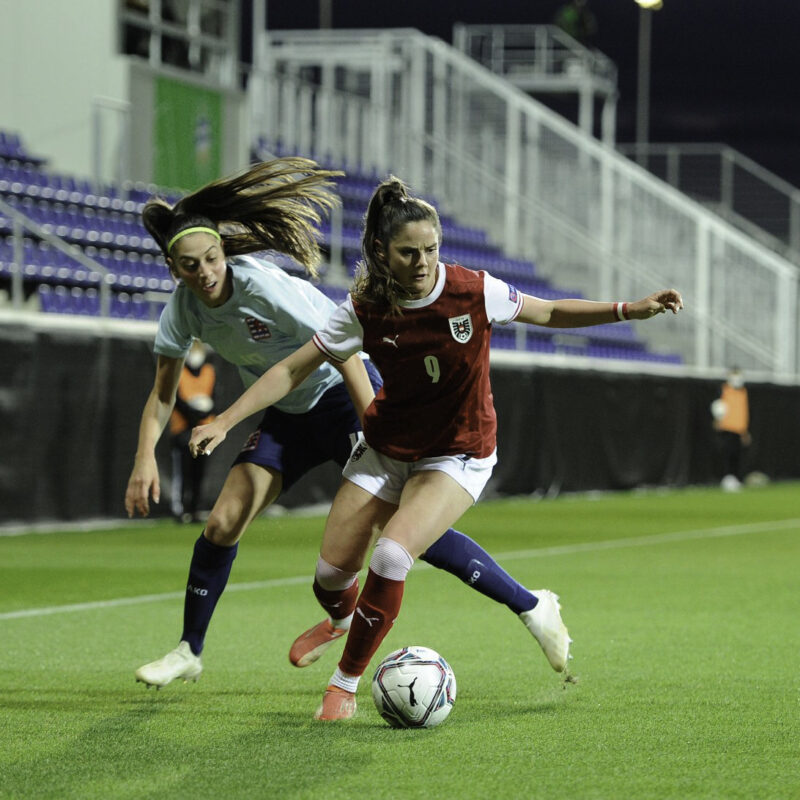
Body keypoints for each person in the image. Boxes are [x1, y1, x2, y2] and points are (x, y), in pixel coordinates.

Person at [189, 175, 684, 720]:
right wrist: (227, 420)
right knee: (330, 578)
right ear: (381, 252)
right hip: (387, 448)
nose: (423, 261)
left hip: (458, 452)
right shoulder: (363, 309)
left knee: (393, 554)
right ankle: (351, 621)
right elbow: (290, 368)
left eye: (431, 249)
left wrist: (627, 310)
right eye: (409, 252)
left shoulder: (473, 290)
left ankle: (344, 683)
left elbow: (548, 312)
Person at [126, 158, 569, 690]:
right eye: (191, 266)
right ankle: (190, 651)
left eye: (212, 258)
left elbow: (344, 354)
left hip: (342, 397)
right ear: (174, 270)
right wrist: (143, 458)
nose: (205, 273)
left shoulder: (264, 287)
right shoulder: (181, 311)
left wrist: (375, 434)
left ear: (225, 252)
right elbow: (161, 396)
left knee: (400, 534)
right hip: (289, 414)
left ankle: (529, 605)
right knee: (222, 523)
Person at [170, 339, 216, 523]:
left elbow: (214, 398)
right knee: (182, 471)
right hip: (182, 429)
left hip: (205, 430)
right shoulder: (179, 372)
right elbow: (177, 400)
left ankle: (195, 508)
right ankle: (180, 509)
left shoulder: (209, 372)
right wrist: (193, 413)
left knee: (199, 472)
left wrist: (204, 412)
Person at [711, 366, 750, 491]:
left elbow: (743, 413)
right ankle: (727, 479)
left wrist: (744, 432)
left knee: (736, 456)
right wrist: (718, 420)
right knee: (728, 453)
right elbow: (718, 407)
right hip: (727, 428)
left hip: (739, 429)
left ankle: (734, 479)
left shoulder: (743, 392)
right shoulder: (724, 390)